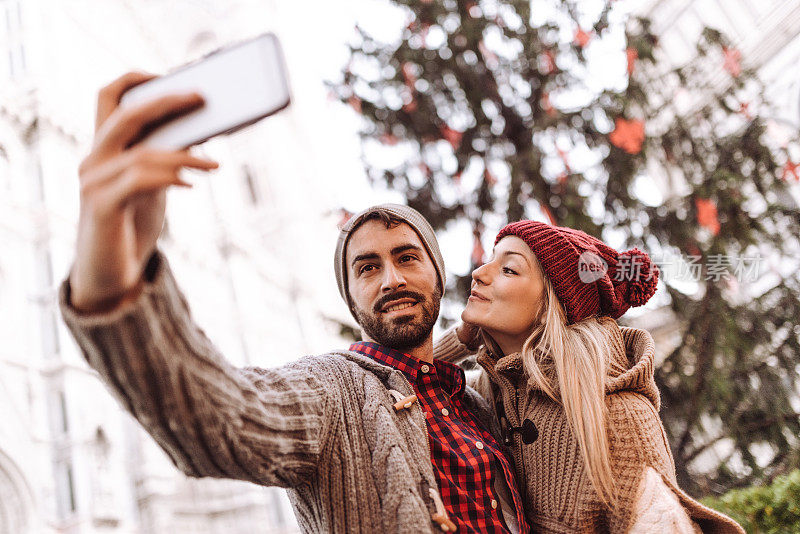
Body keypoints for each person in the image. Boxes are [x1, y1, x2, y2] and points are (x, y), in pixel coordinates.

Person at [58, 72, 530, 533]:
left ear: (437, 272)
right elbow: (220, 417)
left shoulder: (480, 403)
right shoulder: (333, 392)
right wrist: (114, 277)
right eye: (366, 267)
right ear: (350, 298)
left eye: (406, 257)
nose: (390, 279)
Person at [437, 220, 745, 533]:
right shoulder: (500, 389)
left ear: (550, 306)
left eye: (509, 269)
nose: (479, 272)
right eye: (491, 259)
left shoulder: (618, 419)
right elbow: (409, 370)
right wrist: (462, 339)